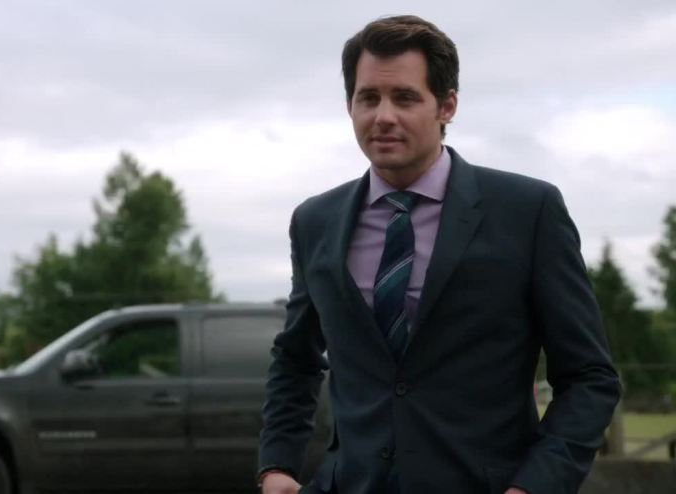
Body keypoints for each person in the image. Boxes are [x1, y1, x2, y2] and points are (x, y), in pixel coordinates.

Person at [258, 15, 620, 494]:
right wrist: (276, 466)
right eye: (368, 98)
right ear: (350, 105)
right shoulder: (314, 221)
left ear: (447, 105)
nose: (383, 116)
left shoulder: (527, 211)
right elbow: (295, 359)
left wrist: (535, 486)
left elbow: (590, 377)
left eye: (405, 97)